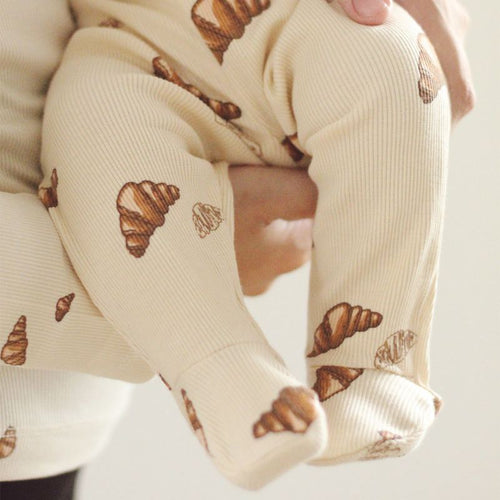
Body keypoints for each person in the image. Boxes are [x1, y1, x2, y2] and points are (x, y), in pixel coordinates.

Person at [0, 0, 474, 497]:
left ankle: (371, 366)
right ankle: (228, 383)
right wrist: (200, 245)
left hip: (51, 417)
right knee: (102, 144)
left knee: (386, 50)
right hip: (106, 56)